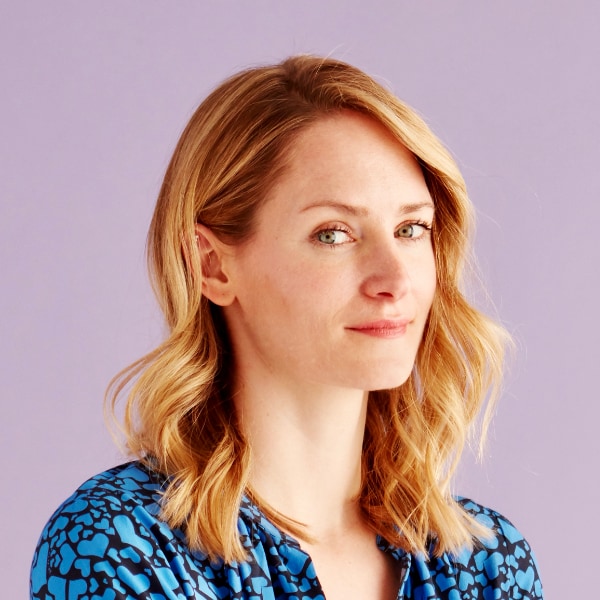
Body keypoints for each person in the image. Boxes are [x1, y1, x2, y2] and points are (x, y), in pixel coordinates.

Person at [30, 55, 543, 599]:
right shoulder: (120, 546)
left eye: (411, 228)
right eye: (333, 234)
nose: (395, 279)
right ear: (213, 266)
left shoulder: (486, 563)